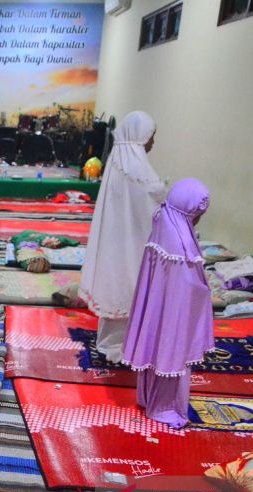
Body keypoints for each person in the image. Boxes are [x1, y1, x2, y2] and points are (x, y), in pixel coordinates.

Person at [121, 179, 214, 429]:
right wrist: (205, 288)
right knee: (170, 356)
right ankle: (166, 407)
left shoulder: (165, 220)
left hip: (158, 307)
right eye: (199, 214)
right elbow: (187, 285)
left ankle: (147, 396)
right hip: (175, 313)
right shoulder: (179, 243)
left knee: (154, 351)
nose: (199, 220)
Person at [78, 111, 167, 362]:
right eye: (152, 136)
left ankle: (114, 341)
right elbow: (151, 202)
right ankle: (126, 344)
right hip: (135, 241)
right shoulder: (137, 169)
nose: (153, 142)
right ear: (140, 137)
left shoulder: (119, 162)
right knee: (131, 286)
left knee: (118, 283)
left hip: (118, 239)